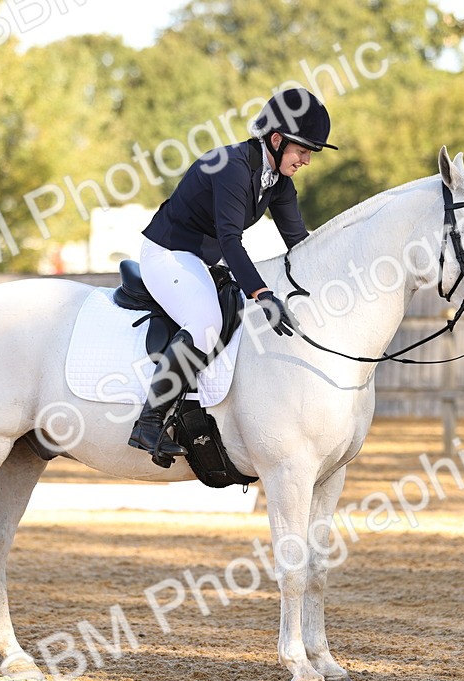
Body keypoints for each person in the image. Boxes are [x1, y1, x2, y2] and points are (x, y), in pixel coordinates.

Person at [129, 87, 338, 464]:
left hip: (204, 261)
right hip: (169, 253)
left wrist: (335, 282)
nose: (307, 160)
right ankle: (150, 421)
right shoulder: (231, 167)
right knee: (206, 323)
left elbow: (300, 242)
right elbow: (230, 240)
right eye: (303, 150)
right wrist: (262, 292)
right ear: (276, 140)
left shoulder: (279, 184)